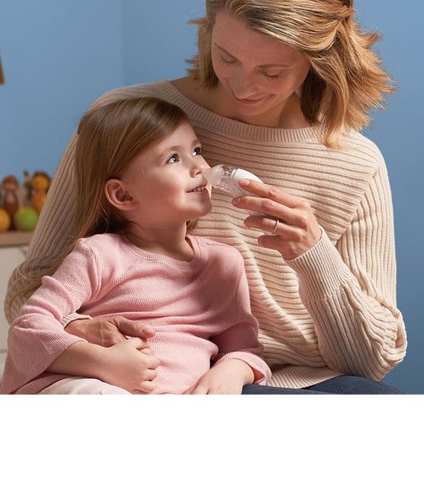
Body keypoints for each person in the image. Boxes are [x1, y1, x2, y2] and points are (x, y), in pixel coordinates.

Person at [5, 0, 407, 394]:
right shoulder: (131, 121)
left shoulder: (357, 164)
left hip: (278, 381)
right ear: (209, 29)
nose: (243, 87)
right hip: (142, 379)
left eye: (271, 71)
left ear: (321, 56)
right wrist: (84, 335)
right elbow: (31, 292)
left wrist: (315, 255)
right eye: (227, 57)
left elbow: (372, 362)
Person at [1, 96, 272, 394]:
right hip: (92, 389)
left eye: (197, 150)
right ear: (123, 195)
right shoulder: (100, 254)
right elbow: (28, 326)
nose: (200, 167)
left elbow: (245, 349)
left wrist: (233, 369)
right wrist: (102, 363)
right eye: (173, 158)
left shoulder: (224, 263)